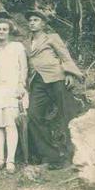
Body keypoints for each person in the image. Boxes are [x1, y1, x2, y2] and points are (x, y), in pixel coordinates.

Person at [25, 11, 84, 170]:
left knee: (68, 114)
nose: (32, 23)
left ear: (43, 23)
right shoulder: (26, 42)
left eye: (36, 20)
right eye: (30, 20)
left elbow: (65, 56)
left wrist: (69, 73)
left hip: (57, 78)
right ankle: (53, 156)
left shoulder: (52, 37)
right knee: (33, 115)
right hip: (37, 81)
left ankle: (76, 153)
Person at [0, 19, 28, 174]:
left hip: (12, 89)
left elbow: (24, 67)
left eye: (4, 29)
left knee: (10, 124)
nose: (1, 31)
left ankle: (10, 160)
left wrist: (21, 85)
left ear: (9, 31)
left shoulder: (17, 47)